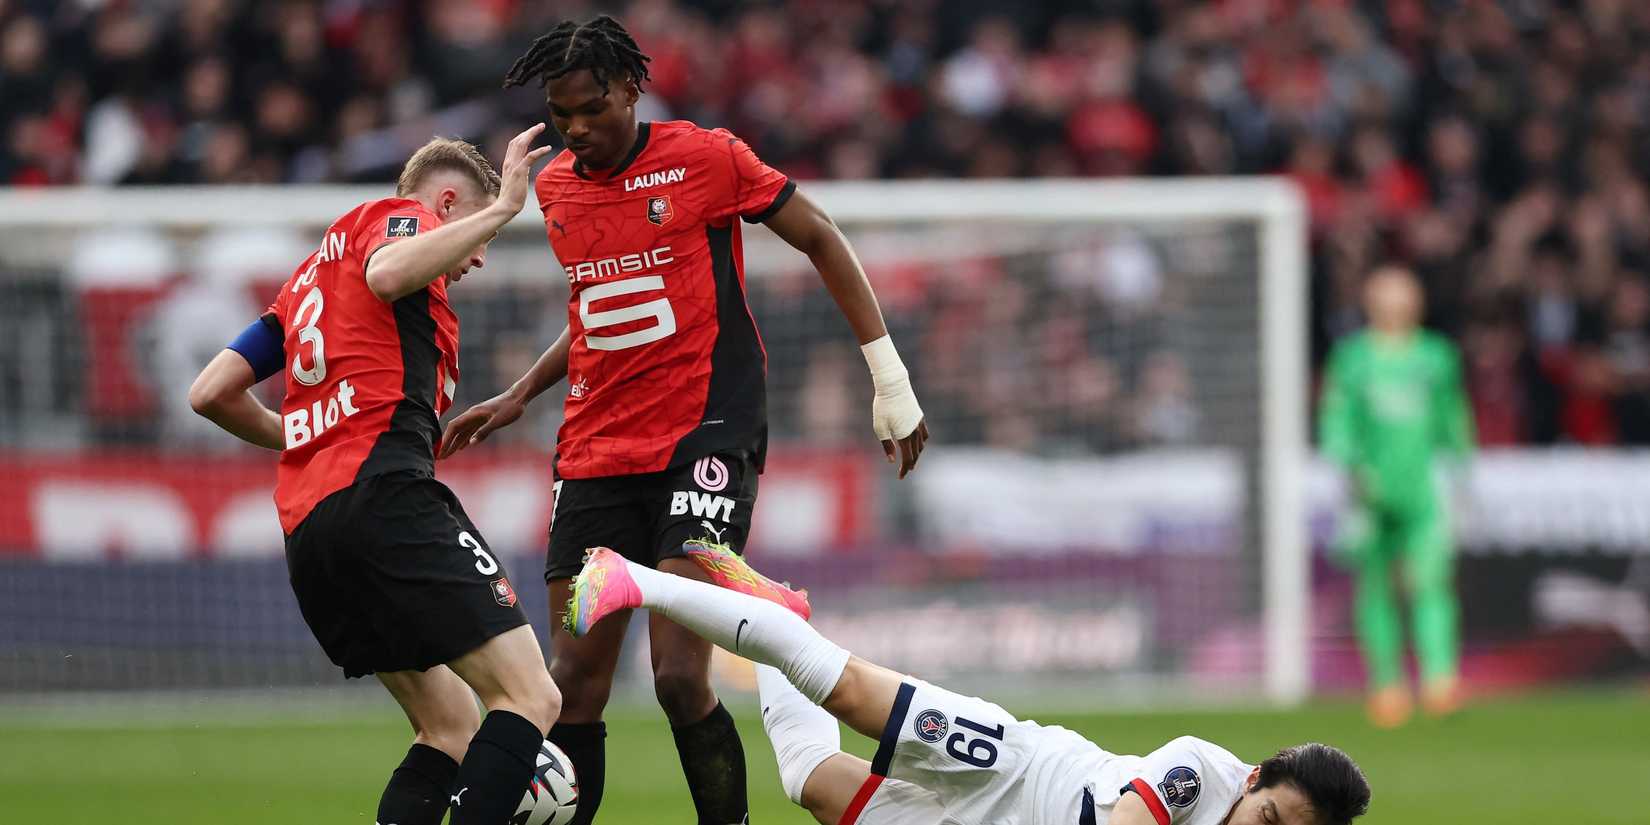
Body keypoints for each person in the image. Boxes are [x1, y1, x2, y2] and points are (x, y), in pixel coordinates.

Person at [438, 15, 930, 825]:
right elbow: (604, 306)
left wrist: (890, 378)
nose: (577, 129)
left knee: (676, 675)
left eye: (592, 108)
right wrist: (522, 391)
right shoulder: (556, 189)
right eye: (561, 114)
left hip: (705, 435)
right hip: (596, 448)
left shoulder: (706, 158)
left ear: (632, 89)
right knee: (572, 683)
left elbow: (819, 235)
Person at [187, 128, 562, 825]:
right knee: (531, 695)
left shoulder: (304, 284)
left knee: (450, 725)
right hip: (384, 496)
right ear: (444, 205)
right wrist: (506, 206)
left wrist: (303, 431)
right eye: (477, 232)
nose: (480, 255)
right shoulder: (396, 219)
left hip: (311, 532)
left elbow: (210, 392)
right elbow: (389, 272)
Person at [561, 544, 1372, 825]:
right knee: (848, 691)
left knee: (807, 779)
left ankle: (776, 619)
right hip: (1010, 767)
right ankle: (636, 578)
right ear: (1255, 778)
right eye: (1268, 819)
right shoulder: (1200, 770)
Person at [1318, 264, 1475, 727]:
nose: (1398, 303)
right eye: (1388, 295)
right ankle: (1387, 684)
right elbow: (1337, 417)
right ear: (1372, 303)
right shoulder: (1353, 358)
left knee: (1430, 581)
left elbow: (1451, 413)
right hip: (1371, 491)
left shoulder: (1436, 356)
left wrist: (1462, 460)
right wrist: (1350, 464)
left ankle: (1440, 679)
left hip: (1423, 490)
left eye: (1404, 294)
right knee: (1376, 586)